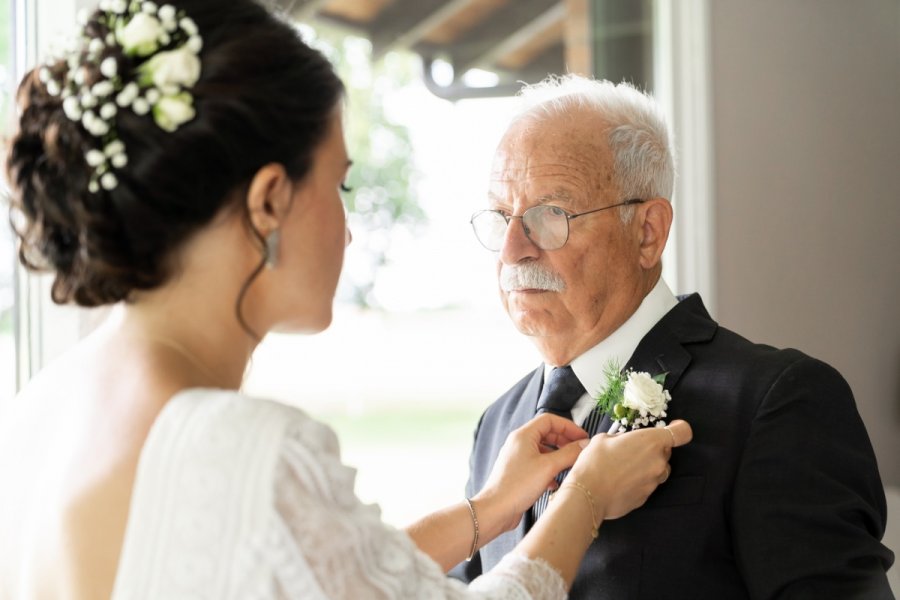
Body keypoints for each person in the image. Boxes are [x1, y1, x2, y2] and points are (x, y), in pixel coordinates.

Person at [0, 2, 692, 599]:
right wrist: (589, 497)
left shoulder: (45, 406)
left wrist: (492, 507)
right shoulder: (242, 445)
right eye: (342, 186)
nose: (351, 228)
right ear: (271, 200)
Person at [451, 74, 895, 599]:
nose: (511, 251)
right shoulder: (498, 424)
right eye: (503, 216)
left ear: (648, 232)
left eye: (550, 214)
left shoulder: (777, 402)